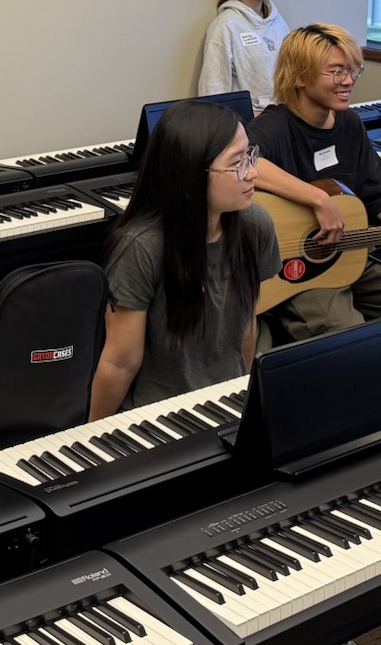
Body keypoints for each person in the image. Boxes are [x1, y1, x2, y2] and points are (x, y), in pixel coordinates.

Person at [248, 24, 381, 341]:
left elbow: (380, 195)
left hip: (352, 253)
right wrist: (319, 199)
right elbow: (244, 163)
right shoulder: (273, 127)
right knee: (347, 334)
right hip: (301, 270)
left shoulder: (348, 123)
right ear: (300, 76)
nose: (348, 81)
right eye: (336, 72)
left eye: (353, 70)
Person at [87, 101, 280, 419]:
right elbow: (121, 361)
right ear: (191, 174)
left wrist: (245, 403)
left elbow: (246, 329)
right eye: (237, 163)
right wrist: (90, 435)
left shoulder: (255, 225)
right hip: (160, 415)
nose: (253, 172)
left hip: (227, 403)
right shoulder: (141, 247)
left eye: (250, 156)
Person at [198, 0, 290, 109]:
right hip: (249, 115)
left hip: (283, 110)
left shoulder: (277, 21)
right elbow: (213, 81)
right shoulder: (226, 24)